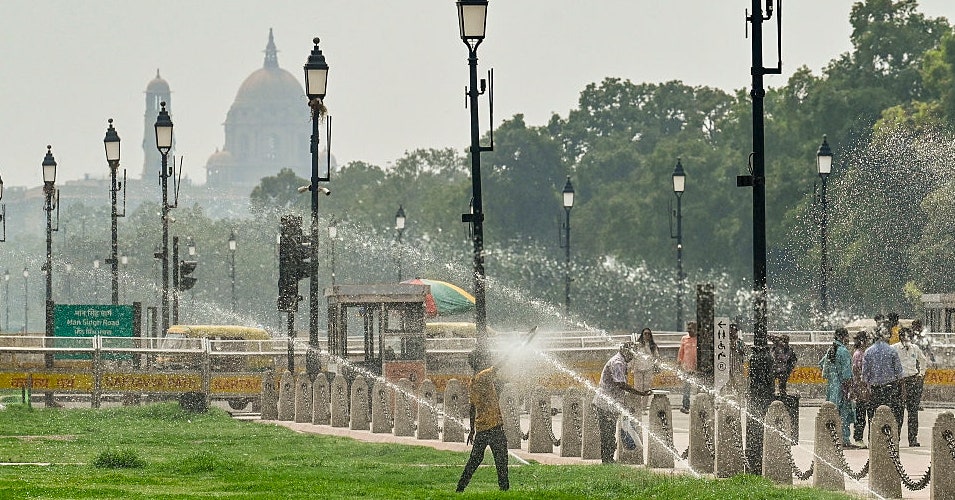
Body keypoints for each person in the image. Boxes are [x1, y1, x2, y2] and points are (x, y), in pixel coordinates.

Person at [456, 349, 509, 492]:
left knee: (475, 459)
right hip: (494, 426)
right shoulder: (484, 376)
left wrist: (472, 430)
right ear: (480, 362)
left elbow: (472, 408)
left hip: (481, 427)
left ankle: (460, 487)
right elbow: (500, 365)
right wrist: (512, 350)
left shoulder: (473, 381)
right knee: (501, 459)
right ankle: (504, 489)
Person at [592, 342, 652, 464]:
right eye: (632, 352)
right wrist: (640, 393)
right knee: (607, 433)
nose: (633, 356)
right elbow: (621, 384)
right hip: (605, 404)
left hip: (610, 404)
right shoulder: (618, 363)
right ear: (624, 351)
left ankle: (608, 459)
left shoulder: (621, 361)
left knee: (609, 432)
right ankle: (607, 460)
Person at [862, 327, 903, 436]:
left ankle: (873, 438)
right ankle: (890, 437)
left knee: (873, 416)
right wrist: (901, 390)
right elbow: (899, 373)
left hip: (874, 389)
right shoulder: (892, 351)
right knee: (890, 414)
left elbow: (865, 374)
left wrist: (866, 389)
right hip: (890, 388)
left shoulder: (868, 351)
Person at [819, 327, 856, 448]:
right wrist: (850, 389)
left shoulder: (831, 350)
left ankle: (833, 438)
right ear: (843, 337)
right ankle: (844, 439)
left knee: (833, 413)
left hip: (832, 388)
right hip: (842, 388)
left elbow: (821, 365)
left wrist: (833, 376)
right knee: (844, 414)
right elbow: (846, 375)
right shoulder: (843, 351)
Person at [892, 327, 928, 446]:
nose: (908, 339)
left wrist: (921, 374)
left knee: (913, 412)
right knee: (898, 411)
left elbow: (923, 361)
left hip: (912, 380)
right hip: (899, 382)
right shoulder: (894, 349)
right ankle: (895, 437)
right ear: (901, 337)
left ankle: (912, 438)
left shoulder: (915, 348)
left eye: (910, 336)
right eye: (906, 336)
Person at [850, 330, 872, 447]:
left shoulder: (865, 353)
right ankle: (858, 438)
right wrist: (862, 387)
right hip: (862, 388)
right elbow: (857, 372)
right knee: (861, 415)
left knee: (868, 415)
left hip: (866, 387)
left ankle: (869, 438)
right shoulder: (859, 354)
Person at [632, 328, 659, 414]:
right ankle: (637, 407)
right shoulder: (637, 345)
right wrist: (631, 367)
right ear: (642, 335)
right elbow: (633, 356)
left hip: (648, 369)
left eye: (648, 334)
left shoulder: (653, 346)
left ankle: (643, 408)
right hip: (638, 369)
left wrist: (656, 365)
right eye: (645, 334)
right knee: (638, 389)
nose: (647, 335)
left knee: (646, 389)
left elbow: (656, 357)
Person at [676, 321, 698, 414]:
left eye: (691, 328)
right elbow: (681, 353)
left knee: (699, 388)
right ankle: (686, 406)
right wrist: (679, 364)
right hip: (687, 368)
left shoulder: (699, 339)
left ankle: (699, 405)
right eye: (688, 328)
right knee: (686, 388)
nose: (689, 330)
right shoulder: (684, 339)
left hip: (697, 368)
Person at [727, 322, 748, 398]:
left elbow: (745, 352)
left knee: (739, 388)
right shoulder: (724, 342)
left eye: (733, 330)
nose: (731, 332)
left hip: (737, 369)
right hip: (727, 370)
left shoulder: (740, 342)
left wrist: (736, 348)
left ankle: (740, 403)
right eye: (730, 330)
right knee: (728, 388)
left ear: (736, 331)